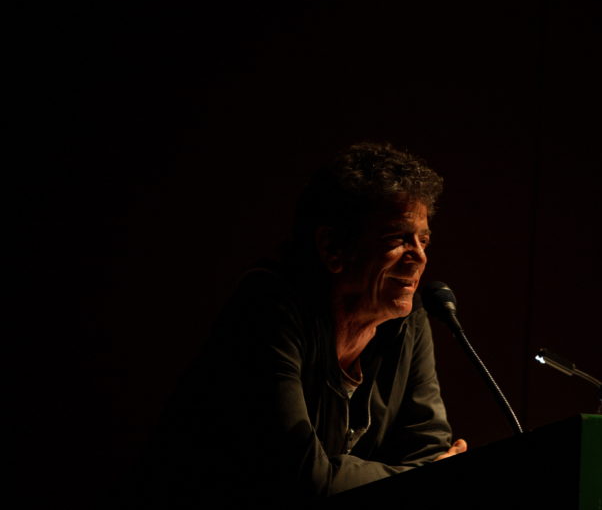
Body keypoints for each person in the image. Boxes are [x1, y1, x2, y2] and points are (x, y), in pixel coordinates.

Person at [127, 142, 466, 509]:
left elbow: (430, 445)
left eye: (424, 239)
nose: (419, 256)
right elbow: (301, 479)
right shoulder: (268, 307)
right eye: (397, 238)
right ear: (333, 247)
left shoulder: (408, 317)